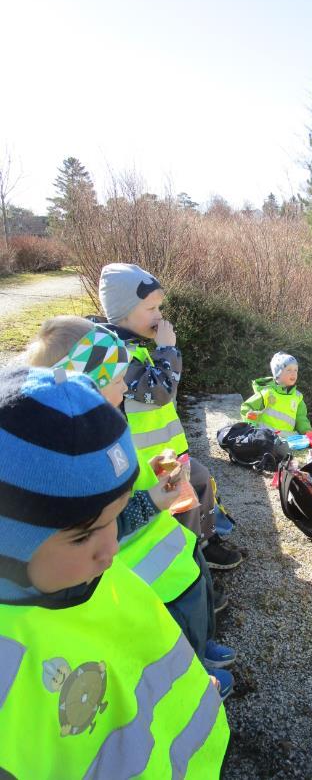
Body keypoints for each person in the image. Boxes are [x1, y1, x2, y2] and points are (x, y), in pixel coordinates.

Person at [0, 366, 229, 778]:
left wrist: (191, 688)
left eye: (116, 519)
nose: (111, 549)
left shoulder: (89, 573)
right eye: (83, 535)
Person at [25, 317, 236, 686]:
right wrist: (154, 498)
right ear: (84, 386)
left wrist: (149, 474)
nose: (125, 385)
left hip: (173, 552)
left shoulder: (102, 424)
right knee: (173, 635)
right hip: (148, 578)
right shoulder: (76, 458)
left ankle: (202, 650)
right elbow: (100, 527)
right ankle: (195, 685)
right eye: (117, 379)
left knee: (197, 606)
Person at [97, 262, 243, 571]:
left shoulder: (135, 347)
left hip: (165, 454)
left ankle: (204, 543)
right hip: (144, 464)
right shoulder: (119, 355)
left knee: (201, 480)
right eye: (151, 308)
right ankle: (189, 568)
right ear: (124, 313)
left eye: (159, 307)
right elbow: (160, 391)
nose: (159, 315)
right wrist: (167, 349)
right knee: (182, 504)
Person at [240, 352, 312, 434]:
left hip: (288, 440)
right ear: (278, 373)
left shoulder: (297, 397)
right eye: (289, 370)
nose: (293, 373)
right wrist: (250, 422)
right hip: (265, 438)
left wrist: (307, 431)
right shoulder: (267, 393)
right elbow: (247, 407)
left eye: (296, 370)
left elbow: (301, 418)